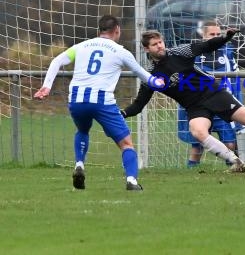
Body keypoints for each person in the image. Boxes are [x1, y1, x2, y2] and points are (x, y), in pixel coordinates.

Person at [121, 28, 245, 172]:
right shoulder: (150, 75)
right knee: (197, 131)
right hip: (194, 106)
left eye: (160, 42)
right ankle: (236, 162)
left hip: (213, 93)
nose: (160, 46)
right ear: (146, 49)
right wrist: (122, 113)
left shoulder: (179, 52)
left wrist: (225, 37)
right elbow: (139, 104)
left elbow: (206, 46)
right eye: (155, 44)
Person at [33, 14, 164, 191]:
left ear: (99, 31)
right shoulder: (121, 51)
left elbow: (57, 61)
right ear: (117, 30)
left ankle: (79, 164)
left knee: (82, 130)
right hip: (102, 101)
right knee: (126, 144)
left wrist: (47, 86)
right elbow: (143, 74)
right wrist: (158, 82)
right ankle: (132, 181)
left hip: (77, 99)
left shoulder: (81, 46)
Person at [177, 21, 245, 168]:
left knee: (230, 143)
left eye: (218, 34)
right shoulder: (194, 53)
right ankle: (192, 172)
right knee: (198, 147)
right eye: (212, 34)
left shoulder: (227, 51)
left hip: (221, 103)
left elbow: (233, 80)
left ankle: (233, 168)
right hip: (200, 105)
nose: (215, 37)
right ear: (203, 35)